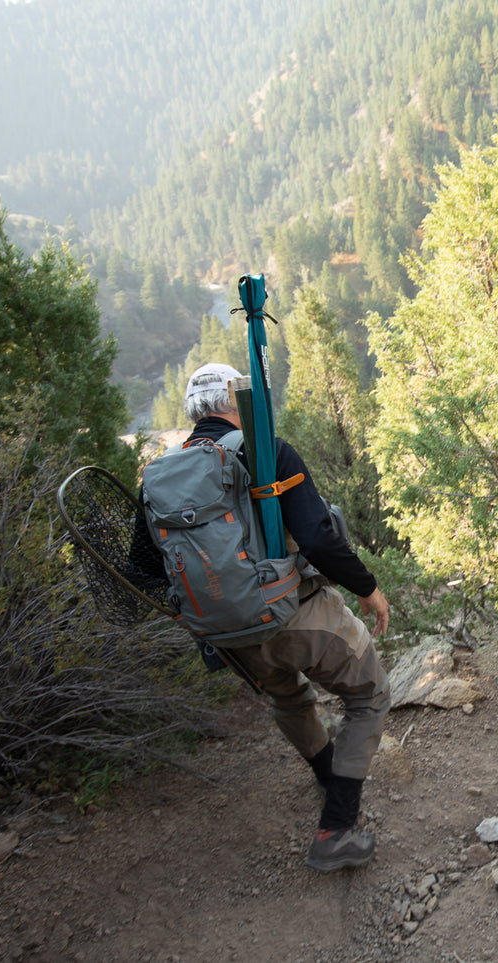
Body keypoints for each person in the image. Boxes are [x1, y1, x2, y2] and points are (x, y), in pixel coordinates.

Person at [160, 361, 391, 873]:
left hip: (227, 635)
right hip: (295, 614)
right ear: (235, 403)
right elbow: (316, 537)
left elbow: (148, 570)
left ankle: (328, 774)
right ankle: (337, 828)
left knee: (287, 697)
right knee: (370, 695)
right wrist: (367, 588)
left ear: (195, 412)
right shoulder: (267, 454)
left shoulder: (161, 478)